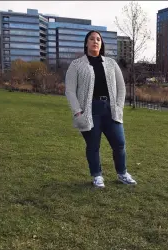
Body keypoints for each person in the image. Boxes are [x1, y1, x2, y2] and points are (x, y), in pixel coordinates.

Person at [65, 30, 136, 188]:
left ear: (101, 43)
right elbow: (69, 90)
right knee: (93, 146)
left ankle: (122, 173)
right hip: (90, 110)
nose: (95, 41)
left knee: (119, 143)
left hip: (110, 108)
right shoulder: (76, 65)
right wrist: (78, 112)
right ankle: (97, 175)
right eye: (91, 39)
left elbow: (121, 88)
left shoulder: (111, 63)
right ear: (86, 43)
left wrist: (118, 107)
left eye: (98, 39)